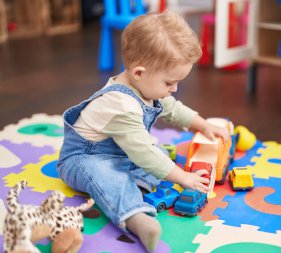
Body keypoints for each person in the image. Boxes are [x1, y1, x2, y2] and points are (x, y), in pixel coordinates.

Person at [57, 11, 229, 253]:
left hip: (123, 153)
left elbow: (172, 109)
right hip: (84, 159)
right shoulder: (121, 104)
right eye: (169, 83)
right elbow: (143, 154)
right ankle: (137, 219)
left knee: (157, 161)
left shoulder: (145, 87)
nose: (175, 89)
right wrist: (183, 177)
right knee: (112, 176)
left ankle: (134, 186)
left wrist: (203, 125)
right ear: (139, 72)